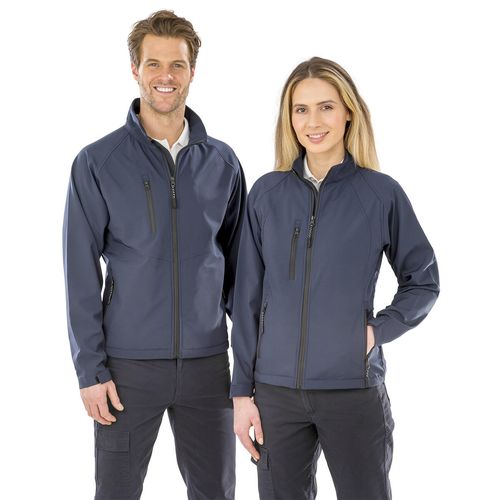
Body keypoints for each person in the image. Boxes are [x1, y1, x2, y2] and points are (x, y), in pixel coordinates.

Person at [231, 57, 439, 500]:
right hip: (275, 395)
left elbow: (423, 280)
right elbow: (245, 299)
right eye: (301, 109)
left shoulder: (380, 194)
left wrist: (374, 333)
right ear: (289, 119)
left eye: (326, 107)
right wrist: (241, 394)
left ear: (348, 111)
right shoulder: (266, 194)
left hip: (352, 391)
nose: (313, 122)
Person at [63, 10, 246, 500]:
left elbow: (241, 275)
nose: (166, 76)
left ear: (192, 71)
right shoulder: (97, 162)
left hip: (208, 365)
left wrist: (250, 365)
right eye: (154, 64)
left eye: (177, 65)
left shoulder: (223, 162)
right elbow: (80, 273)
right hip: (127, 368)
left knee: (217, 492)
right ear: (135, 70)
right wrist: (91, 371)